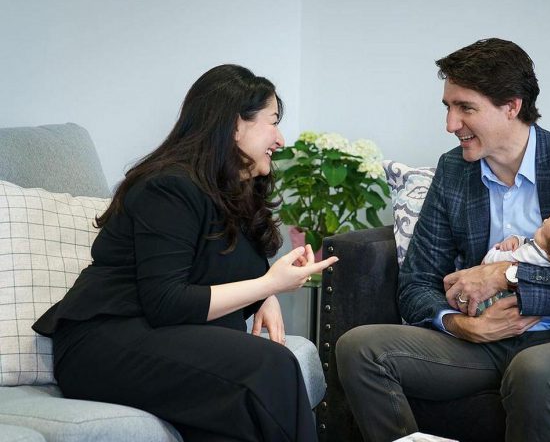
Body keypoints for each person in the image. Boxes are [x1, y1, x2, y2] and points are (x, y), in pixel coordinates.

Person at [336, 38, 550, 442]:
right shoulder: (454, 171)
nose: (450, 124)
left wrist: (508, 276)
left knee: (535, 371)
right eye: (448, 107)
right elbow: (417, 281)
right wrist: (461, 325)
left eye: (465, 108)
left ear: (511, 106)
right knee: (359, 347)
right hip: (480, 340)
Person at [32, 64, 338, 442]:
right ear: (235, 125)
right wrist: (264, 285)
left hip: (163, 335)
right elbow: (167, 302)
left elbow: (228, 267)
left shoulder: (230, 191)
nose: (280, 138)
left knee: (237, 424)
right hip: (104, 340)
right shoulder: (167, 188)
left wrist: (266, 293)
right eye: (272, 121)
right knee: (271, 365)